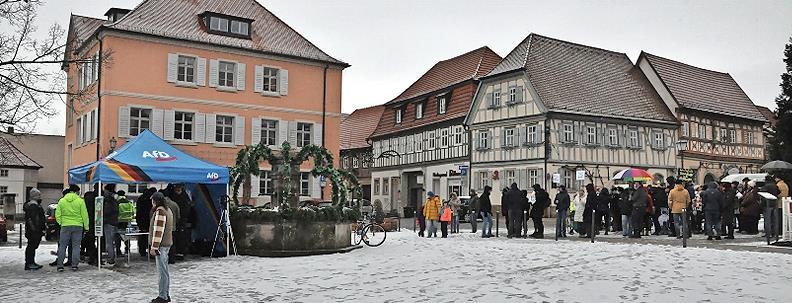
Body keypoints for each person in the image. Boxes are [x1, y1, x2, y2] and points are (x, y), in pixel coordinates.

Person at [149, 192, 175, 303]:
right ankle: (166, 294)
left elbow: (158, 231)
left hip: (161, 246)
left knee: (162, 273)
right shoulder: (168, 210)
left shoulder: (160, 211)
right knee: (165, 271)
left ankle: (162, 296)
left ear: (155, 201)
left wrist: (154, 247)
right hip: (166, 244)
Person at [56, 184, 89, 272]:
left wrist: (61, 223)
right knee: (76, 246)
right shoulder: (80, 201)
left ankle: (60, 265)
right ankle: (74, 265)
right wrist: (86, 227)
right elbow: (84, 215)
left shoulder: (62, 201)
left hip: (65, 226)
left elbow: (57, 214)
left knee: (62, 246)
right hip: (78, 226)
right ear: (77, 191)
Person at [167, 184, 193, 260]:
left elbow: (187, 210)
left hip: (180, 221)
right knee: (176, 237)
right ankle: (177, 253)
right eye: (176, 190)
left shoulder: (182, 198)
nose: (177, 191)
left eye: (179, 189)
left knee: (180, 237)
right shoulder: (180, 198)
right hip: (176, 221)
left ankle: (180, 252)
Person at [24, 188, 46, 270]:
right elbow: (33, 219)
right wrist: (36, 229)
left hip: (33, 229)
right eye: (39, 195)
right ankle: (29, 263)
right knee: (31, 246)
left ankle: (31, 262)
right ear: (35, 196)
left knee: (32, 246)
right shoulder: (33, 206)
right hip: (34, 230)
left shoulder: (34, 205)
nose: (40, 196)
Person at [80, 183, 98, 265]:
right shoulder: (98, 197)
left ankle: (90, 256)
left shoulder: (86, 202)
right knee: (94, 241)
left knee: (89, 241)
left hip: (88, 224)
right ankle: (95, 257)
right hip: (97, 223)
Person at [102, 184, 119, 266]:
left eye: (105, 190)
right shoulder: (115, 200)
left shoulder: (108, 201)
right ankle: (111, 257)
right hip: (114, 222)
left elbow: (107, 212)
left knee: (109, 243)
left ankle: (110, 259)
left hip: (109, 223)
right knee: (111, 242)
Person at [136, 187, 156, 257]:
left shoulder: (140, 198)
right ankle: (151, 251)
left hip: (141, 220)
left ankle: (142, 251)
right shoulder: (151, 199)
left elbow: (138, 210)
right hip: (149, 220)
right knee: (151, 236)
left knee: (142, 236)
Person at [116, 190, 135, 256]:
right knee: (127, 237)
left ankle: (118, 251)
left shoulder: (117, 203)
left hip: (119, 222)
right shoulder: (129, 203)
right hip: (127, 222)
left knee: (118, 237)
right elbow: (133, 212)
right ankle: (127, 250)